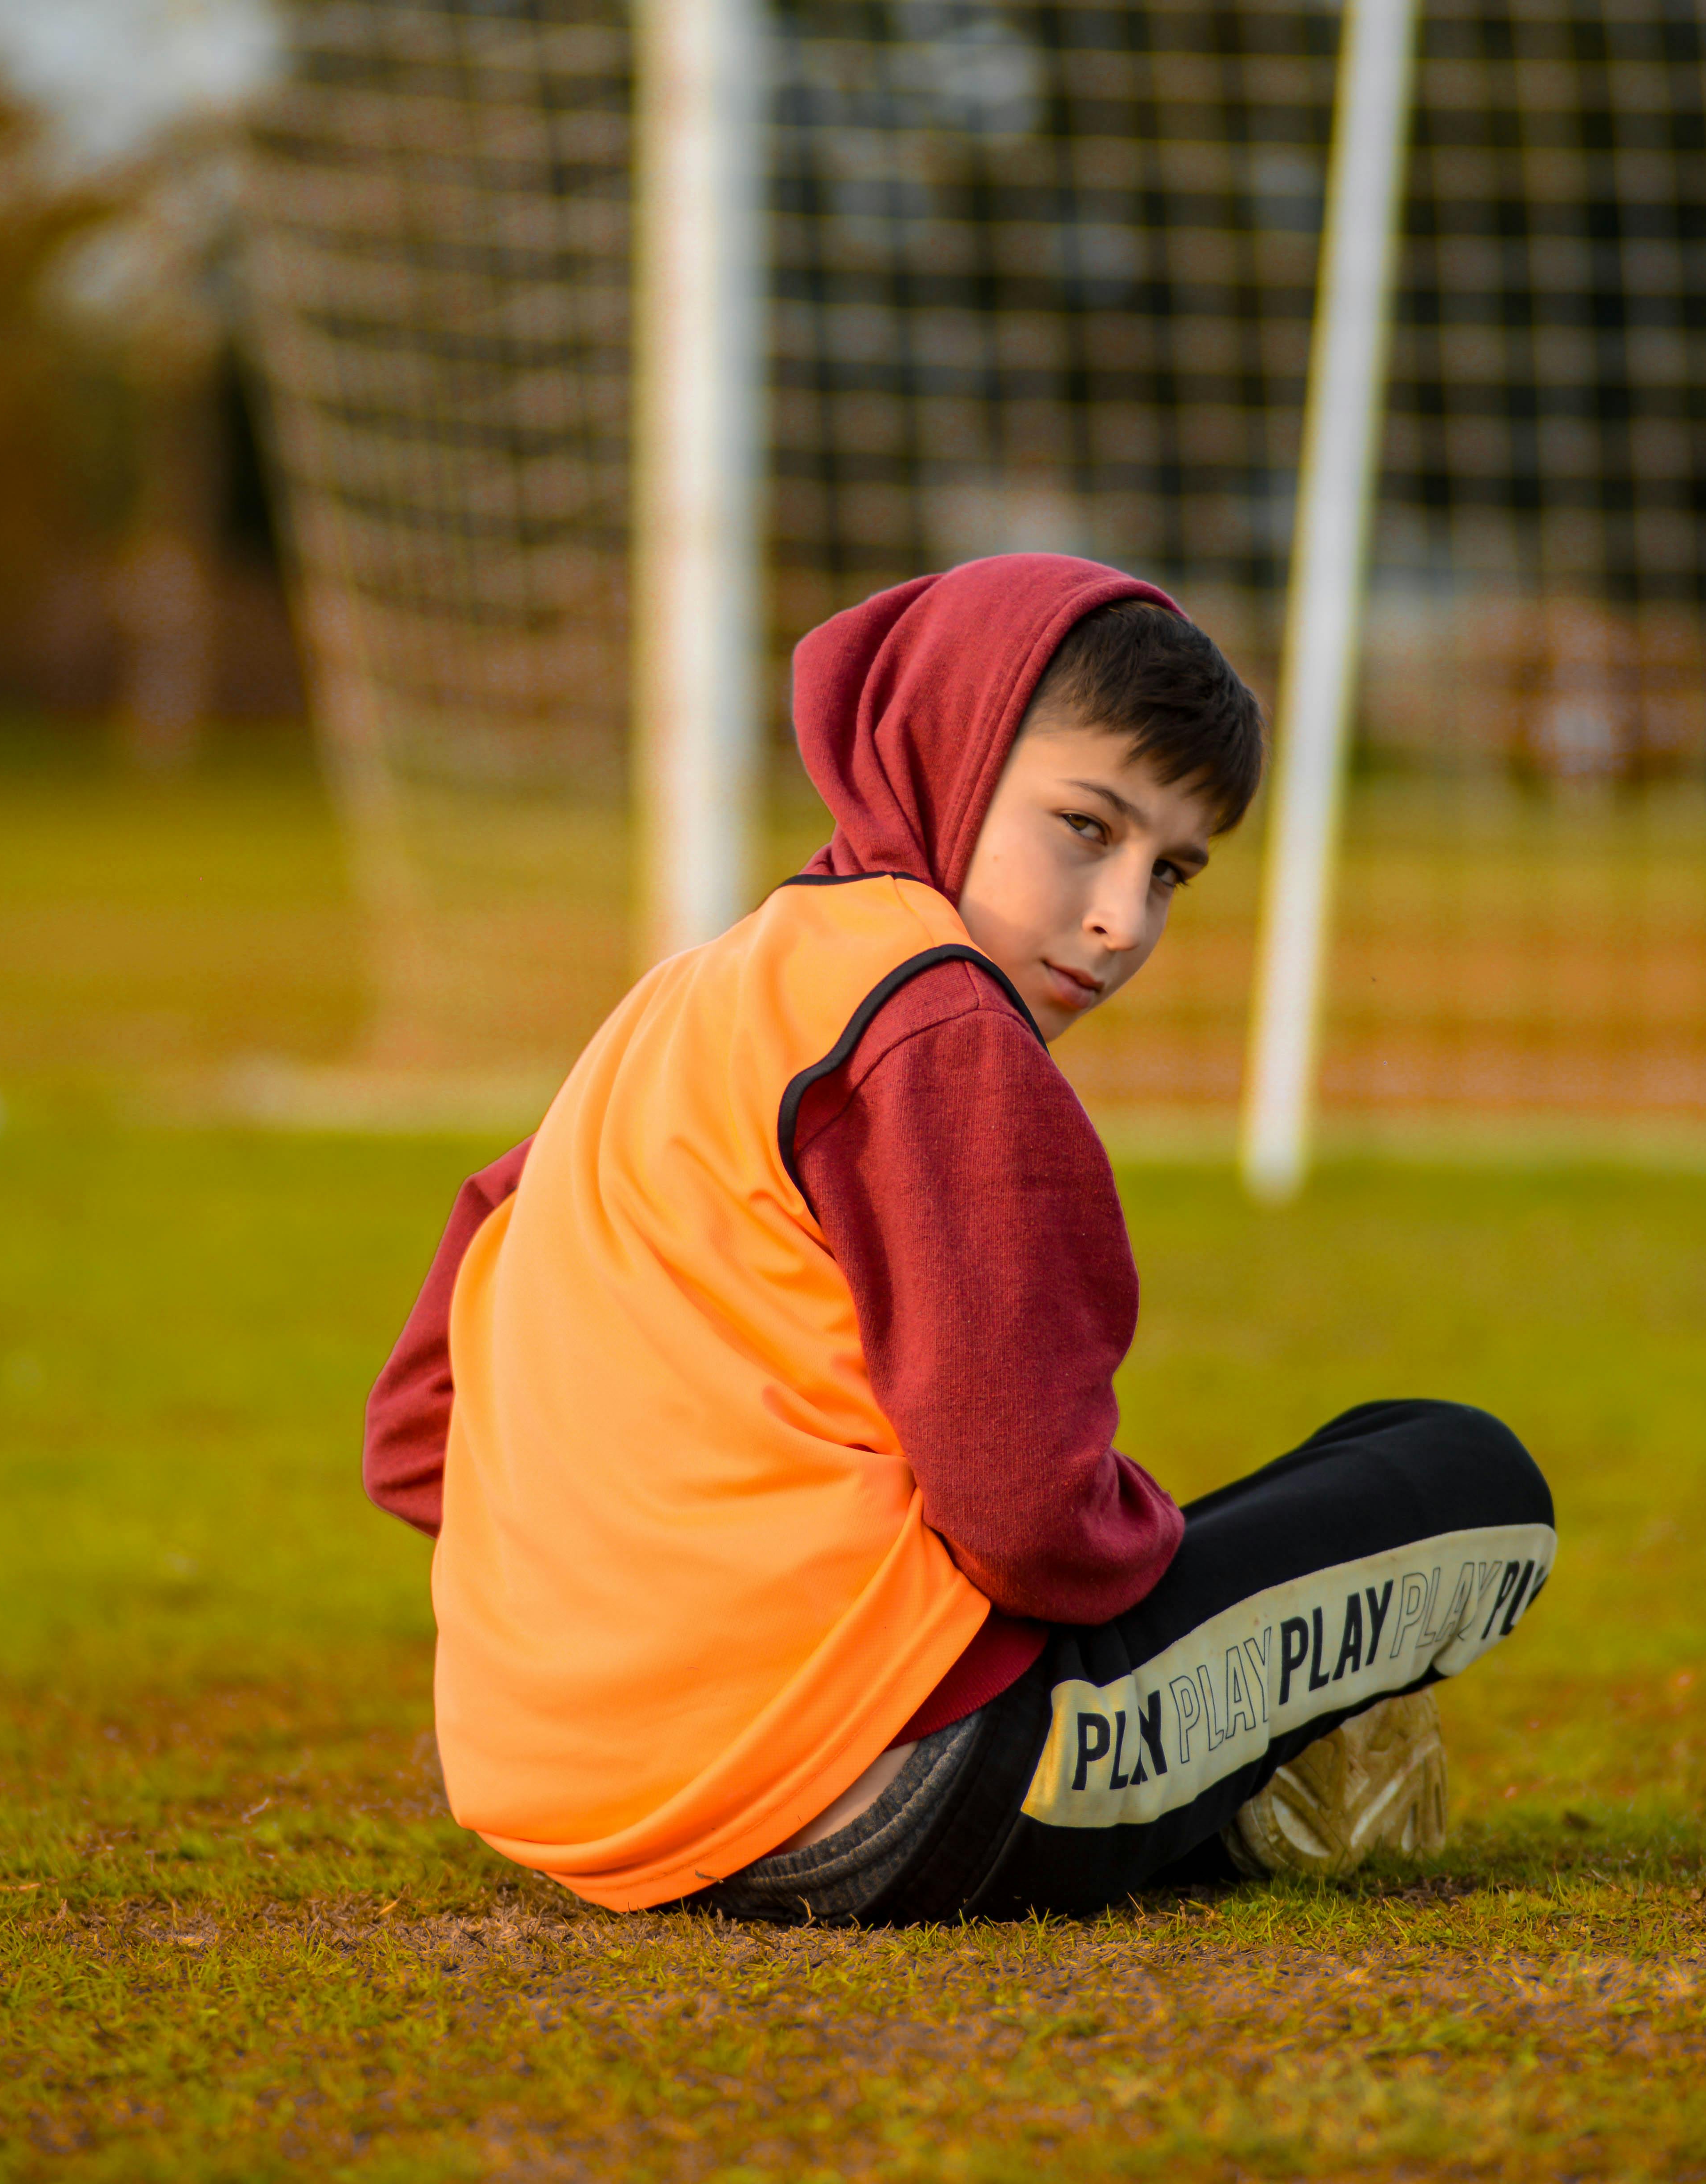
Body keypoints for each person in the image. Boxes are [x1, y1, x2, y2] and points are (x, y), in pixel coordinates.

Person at [364, 553, 1555, 1923]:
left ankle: (1225, 1769)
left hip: (571, 1804)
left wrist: (629, 1604)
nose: (1120, 922)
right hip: (885, 1801)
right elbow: (1029, 1521)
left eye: (1172, 871)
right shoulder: (935, 1021)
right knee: (1467, 1477)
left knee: (1302, 1498)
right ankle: (1246, 1771)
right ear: (951, 748)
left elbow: (416, 1428)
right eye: (1085, 829)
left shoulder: (689, 1003)